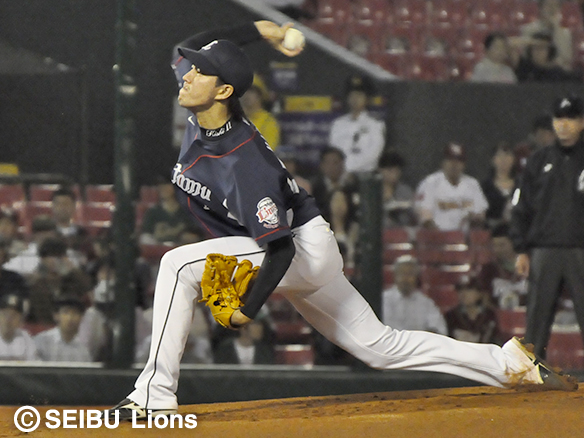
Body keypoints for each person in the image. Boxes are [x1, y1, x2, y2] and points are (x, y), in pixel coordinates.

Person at [104, 20, 576, 422]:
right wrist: (263, 31)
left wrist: (246, 310)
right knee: (380, 347)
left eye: (199, 72)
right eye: (190, 69)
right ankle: (508, 363)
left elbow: (280, 250)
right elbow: (189, 46)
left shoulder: (244, 161)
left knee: (177, 265)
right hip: (289, 248)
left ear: (223, 91)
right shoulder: (202, 104)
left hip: (298, 248)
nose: (186, 75)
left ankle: (153, 395)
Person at [511, 95, 584, 358]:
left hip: (581, 249)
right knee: (537, 321)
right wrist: (521, 249)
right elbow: (522, 207)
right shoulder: (538, 160)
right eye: (559, 118)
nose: (563, 124)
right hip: (544, 250)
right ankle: (531, 373)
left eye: (570, 118)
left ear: (582, 122)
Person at [415, 143, 488, 231]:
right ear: (443, 162)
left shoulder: (472, 184)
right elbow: (425, 219)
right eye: (450, 160)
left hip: (465, 237)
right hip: (435, 236)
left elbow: (480, 215)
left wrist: (475, 218)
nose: (454, 164)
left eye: (459, 160)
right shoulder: (430, 183)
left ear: (464, 164)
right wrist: (443, 236)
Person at [328, 74, 385, 174]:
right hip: (341, 175)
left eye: (359, 95)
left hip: (365, 175)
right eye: (352, 95)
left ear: (367, 99)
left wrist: (349, 167)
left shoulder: (376, 125)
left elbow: (373, 154)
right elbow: (334, 150)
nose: (355, 99)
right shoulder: (338, 124)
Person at [381, 256, 447, 335]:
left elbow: (438, 330)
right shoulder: (383, 300)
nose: (406, 278)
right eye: (402, 273)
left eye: (410, 274)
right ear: (394, 276)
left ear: (416, 277)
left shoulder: (426, 303)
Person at [477, 224, 527, 310]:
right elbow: (485, 301)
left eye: (502, 245)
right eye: (494, 245)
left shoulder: (530, 266)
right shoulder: (488, 269)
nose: (497, 249)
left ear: (514, 243)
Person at [34, 296, 92, 362]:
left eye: (75, 313)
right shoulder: (42, 341)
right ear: (56, 316)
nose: (70, 318)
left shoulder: (83, 349)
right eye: (65, 312)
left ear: (81, 318)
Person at [139, 178, 195, 245]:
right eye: (161, 186)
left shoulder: (187, 211)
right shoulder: (152, 212)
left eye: (167, 185)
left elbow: (195, 234)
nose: (163, 188)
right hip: (159, 248)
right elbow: (146, 235)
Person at [520, 0, 573, 71]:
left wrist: (556, 29)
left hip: (558, 72)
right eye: (548, 5)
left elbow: (566, 57)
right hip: (535, 71)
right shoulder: (529, 30)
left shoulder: (565, 33)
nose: (552, 9)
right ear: (541, 8)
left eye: (556, 5)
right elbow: (525, 56)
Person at [445, 277, 500, 345]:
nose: (463, 294)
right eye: (460, 290)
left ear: (479, 293)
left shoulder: (489, 315)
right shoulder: (451, 315)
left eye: (469, 290)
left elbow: (495, 340)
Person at [513, 32, 579, 82]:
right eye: (535, 48)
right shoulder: (524, 66)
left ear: (549, 51)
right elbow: (511, 44)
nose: (538, 51)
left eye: (542, 47)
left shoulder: (557, 72)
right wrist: (529, 41)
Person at [481, 142, 518, 229]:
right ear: (493, 160)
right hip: (493, 232)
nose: (503, 160)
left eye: (507, 155)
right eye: (500, 156)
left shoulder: (521, 184)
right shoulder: (485, 187)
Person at [240, 75, 280, 150]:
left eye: (251, 91)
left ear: (260, 95)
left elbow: (268, 151)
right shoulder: (234, 119)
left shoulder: (268, 121)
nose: (246, 94)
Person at [378, 150, 415, 228]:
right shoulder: (372, 191)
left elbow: (412, 216)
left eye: (397, 170)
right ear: (380, 170)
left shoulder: (405, 191)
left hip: (400, 231)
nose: (394, 174)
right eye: (390, 170)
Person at [0, 293, 38, 361]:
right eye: (5, 314)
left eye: (13, 315)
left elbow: (33, 365)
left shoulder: (27, 340)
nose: (8, 319)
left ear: (21, 320)